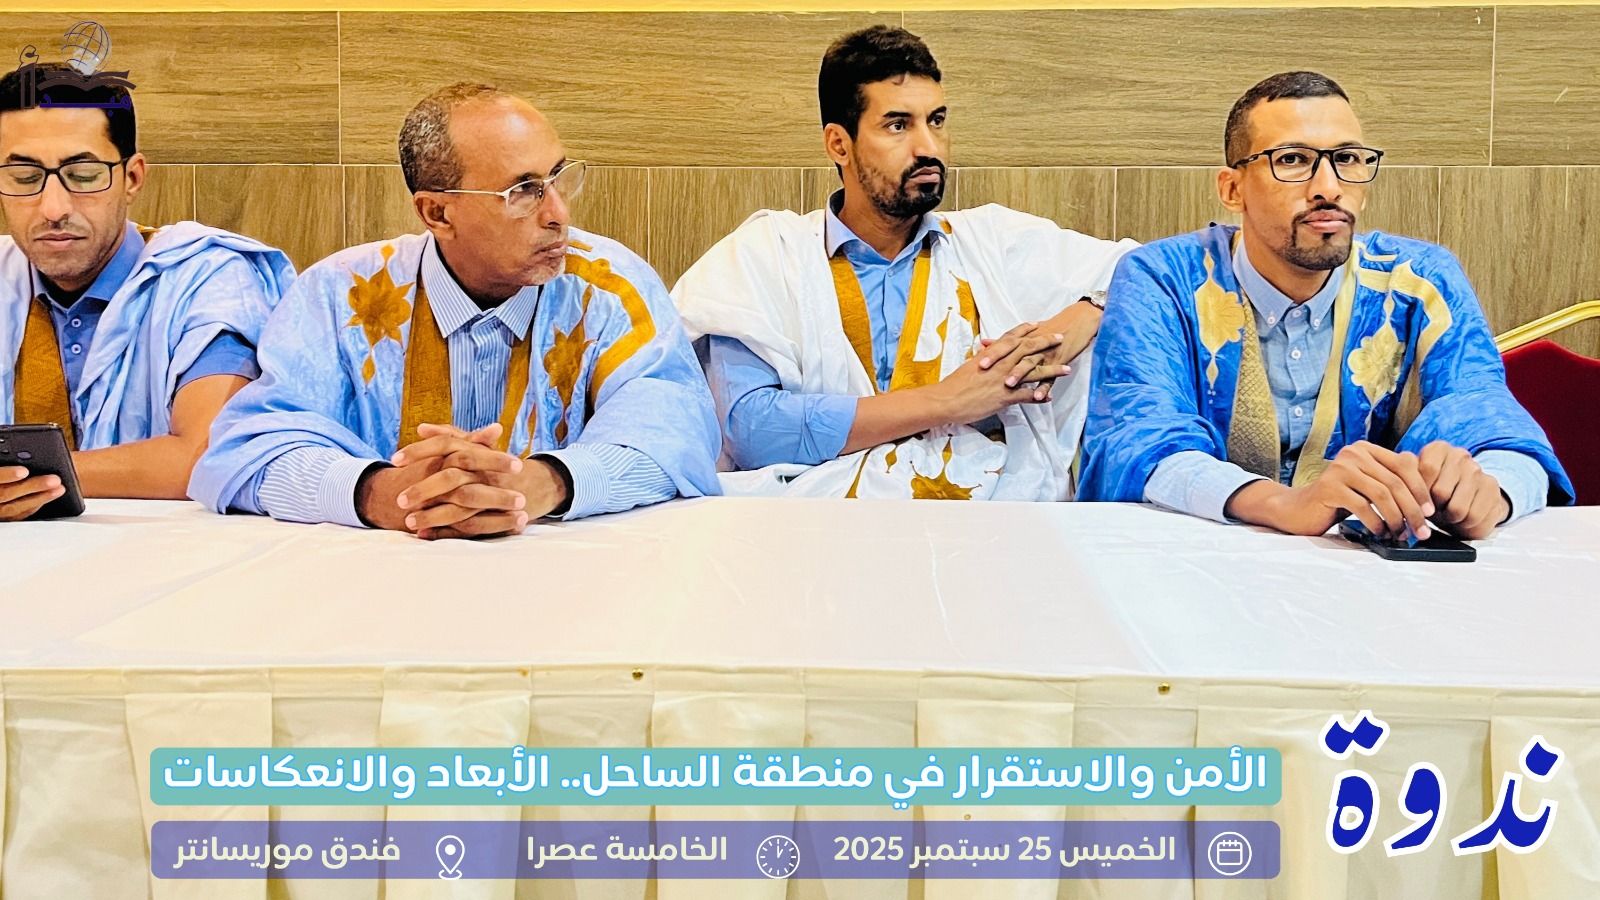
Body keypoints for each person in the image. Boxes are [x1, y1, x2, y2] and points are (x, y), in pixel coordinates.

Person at [191, 83, 719, 538]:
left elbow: (676, 431)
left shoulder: (609, 287)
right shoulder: (339, 293)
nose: (559, 213)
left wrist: (547, 482)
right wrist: (378, 494)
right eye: (525, 191)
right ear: (437, 213)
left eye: (559, 178)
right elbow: (244, 452)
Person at [1082, 71, 1572, 538]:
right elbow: (1138, 439)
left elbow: (1487, 415)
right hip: (1198, 565)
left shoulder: (1419, 280)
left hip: (1369, 576)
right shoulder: (1163, 278)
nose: (1329, 187)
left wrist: (1492, 493)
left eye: (1348, 159)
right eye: (1293, 159)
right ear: (1233, 189)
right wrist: (1283, 504)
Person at [673, 26, 1136, 500]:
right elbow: (751, 429)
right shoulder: (765, 255)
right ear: (839, 144)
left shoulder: (994, 243)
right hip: (811, 527)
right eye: (898, 125)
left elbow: (1145, 269)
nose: (928, 148)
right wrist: (948, 400)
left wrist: (1080, 317)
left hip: (991, 525)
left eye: (936, 121)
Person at [0, 62, 293, 521]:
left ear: (132, 178)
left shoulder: (206, 279)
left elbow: (206, 455)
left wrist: (24, 479)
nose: (53, 208)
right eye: (23, 178)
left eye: (84, 175)